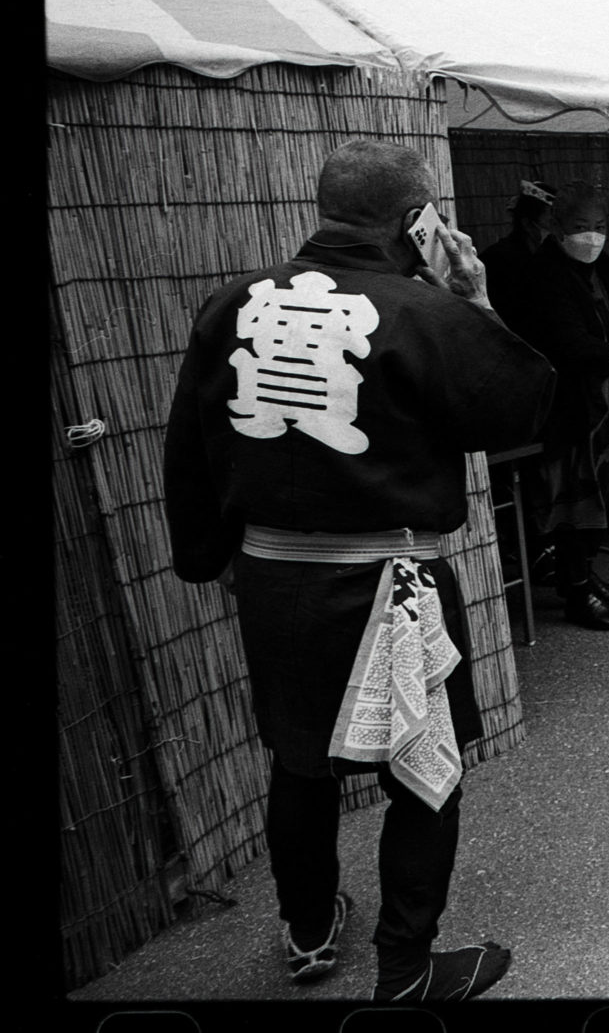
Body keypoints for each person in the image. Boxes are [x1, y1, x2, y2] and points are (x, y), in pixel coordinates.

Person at [163, 140, 554, 1001]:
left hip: (270, 577)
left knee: (298, 761)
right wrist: (478, 301)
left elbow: (188, 449)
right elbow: (520, 408)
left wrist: (209, 558)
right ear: (418, 219)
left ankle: (308, 933)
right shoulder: (421, 311)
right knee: (422, 766)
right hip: (393, 577)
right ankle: (408, 971)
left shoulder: (232, 305)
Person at [511, 184, 609, 630]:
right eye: (580, 227)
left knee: (594, 494)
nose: (591, 237)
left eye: (599, 227)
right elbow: (564, 343)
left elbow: (606, 327)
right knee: (571, 501)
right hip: (564, 405)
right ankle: (577, 594)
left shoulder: (597, 268)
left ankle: (583, 574)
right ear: (557, 227)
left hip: (598, 401)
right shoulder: (543, 273)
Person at [478, 179, 558, 327]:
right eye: (551, 223)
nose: (557, 230)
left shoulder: (557, 260)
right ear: (527, 224)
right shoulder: (497, 260)